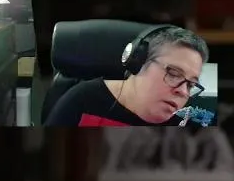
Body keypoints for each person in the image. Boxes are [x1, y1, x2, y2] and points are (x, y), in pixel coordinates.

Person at [43, 25, 209, 127]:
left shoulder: (188, 121)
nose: (183, 92)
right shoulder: (82, 101)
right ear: (138, 62)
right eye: (173, 74)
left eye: (190, 85)